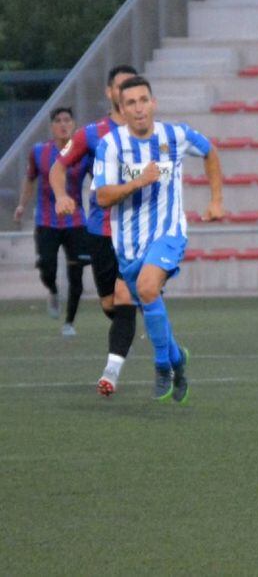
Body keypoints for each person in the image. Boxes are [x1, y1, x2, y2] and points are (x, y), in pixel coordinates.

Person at [93, 76, 224, 403]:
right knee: (150, 301)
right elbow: (102, 196)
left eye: (143, 100)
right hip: (128, 245)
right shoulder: (111, 145)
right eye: (131, 103)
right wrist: (137, 182)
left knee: (148, 287)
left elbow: (209, 152)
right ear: (122, 110)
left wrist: (216, 200)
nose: (139, 108)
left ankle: (162, 365)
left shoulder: (175, 135)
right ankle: (177, 359)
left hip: (168, 233)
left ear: (153, 103)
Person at [50, 65, 140, 396]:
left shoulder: (150, 131)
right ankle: (131, 329)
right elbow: (59, 166)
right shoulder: (91, 134)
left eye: (132, 86)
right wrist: (61, 195)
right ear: (109, 92)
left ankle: (111, 371)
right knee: (109, 304)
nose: (126, 92)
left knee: (125, 297)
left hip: (137, 231)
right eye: (120, 86)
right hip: (101, 230)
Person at [14, 107, 91, 338]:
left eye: (67, 120)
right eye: (58, 121)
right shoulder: (39, 152)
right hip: (47, 220)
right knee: (46, 267)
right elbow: (30, 179)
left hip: (75, 221)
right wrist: (21, 205)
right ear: (51, 126)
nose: (63, 124)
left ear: (74, 124)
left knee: (76, 273)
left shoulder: (84, 153)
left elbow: (98, 179)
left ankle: (69, 322)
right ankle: (54, 291)